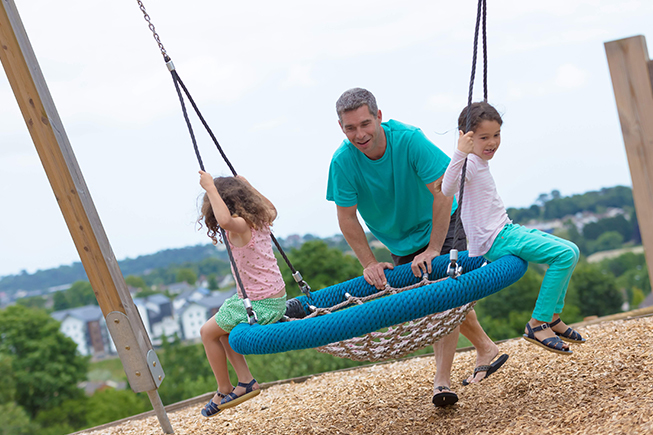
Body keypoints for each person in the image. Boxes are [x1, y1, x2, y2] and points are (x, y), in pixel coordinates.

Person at [326, 88, 508, 407]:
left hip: (443, 220)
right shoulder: (343, 162)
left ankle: (442, 383)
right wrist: (369, 262)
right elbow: (346, 217)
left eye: (365, 123)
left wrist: (434, 248)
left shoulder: (409, 140)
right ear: (341, 127)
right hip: (401, 239)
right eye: (350, 128)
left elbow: (443, 192)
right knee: (436, 298)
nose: (360, 134)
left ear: (380, 117)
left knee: (441, 296)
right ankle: (486, 347)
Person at [442, 101, 585, 356]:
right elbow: (447, 188)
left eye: (496, 135)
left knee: (571, 249)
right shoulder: (470, 162)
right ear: (467, 138)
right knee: (562, 256)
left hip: (506, 230)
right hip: (497, 239)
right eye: (484, 137)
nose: (492, 142)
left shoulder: (478, 162)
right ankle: (537, 323)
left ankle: (552, 316)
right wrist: (459, 152)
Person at [197, 171, 287, 417]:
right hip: (274, 299)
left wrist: (210, 189)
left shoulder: (240, 226)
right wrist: (249, 186)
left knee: (206, 333)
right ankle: (245, 381)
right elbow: (272, 208)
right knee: (224, 330)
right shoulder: (261, 220)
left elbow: (225, 221)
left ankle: (224, 388)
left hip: (261, 303)